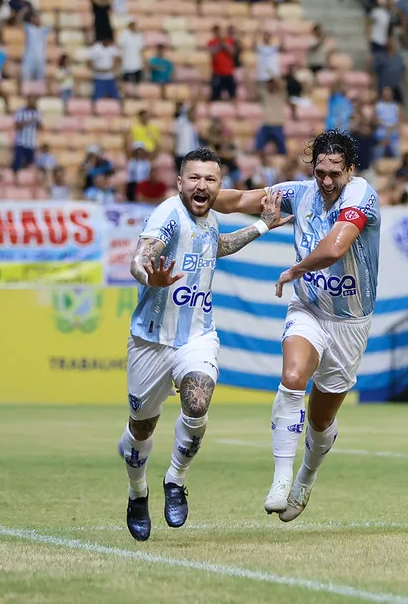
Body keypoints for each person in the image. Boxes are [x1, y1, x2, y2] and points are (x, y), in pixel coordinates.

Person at [120, 147, 290, 541]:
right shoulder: (168, 215)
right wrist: (149, 277)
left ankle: (175, 481)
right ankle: (137, 493)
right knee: (140, 430)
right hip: (151, 341)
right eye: (194, 178)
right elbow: (139, 258)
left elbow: (219, 246)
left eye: (210, 179)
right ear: (180, 182)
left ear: (218, 185)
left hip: (197, 335)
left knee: (197, 402)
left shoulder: (209, 218)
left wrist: (262, 227)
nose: (202, 185)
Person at [212, 130, 380, 522]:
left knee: (322, 420)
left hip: (350, 322)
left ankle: (306, 476)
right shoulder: (299, 193)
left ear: (350, 170)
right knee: (291, 378)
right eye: (319, 171)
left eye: (334, 173)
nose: (325, 181)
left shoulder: (361, 196)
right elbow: (239, 200)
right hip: (308, 308)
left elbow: (336, 246)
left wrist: (296, 268)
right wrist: (197, 195)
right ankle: (281, 478)